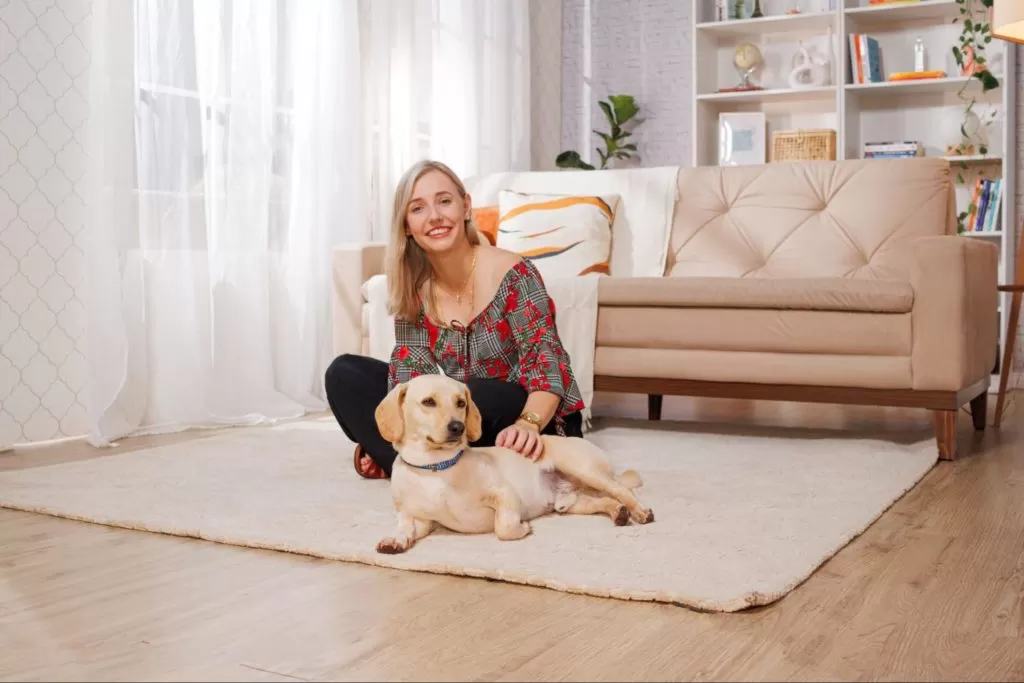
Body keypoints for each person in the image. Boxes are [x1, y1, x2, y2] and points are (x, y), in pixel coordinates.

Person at [325, 159, 586, 480]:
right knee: (345, 375)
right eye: (418, 208)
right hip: (460, 424)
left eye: (444, 201)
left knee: (475, 394)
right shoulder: (414, 289)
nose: (434, 216)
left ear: (465, 207)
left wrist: (528, 424)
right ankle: (435, 467)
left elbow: (546, 365)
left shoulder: (514, 273)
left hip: (527, 415)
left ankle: (409, 466)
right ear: (406, 224)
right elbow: (410, 379)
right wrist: (395, 423)